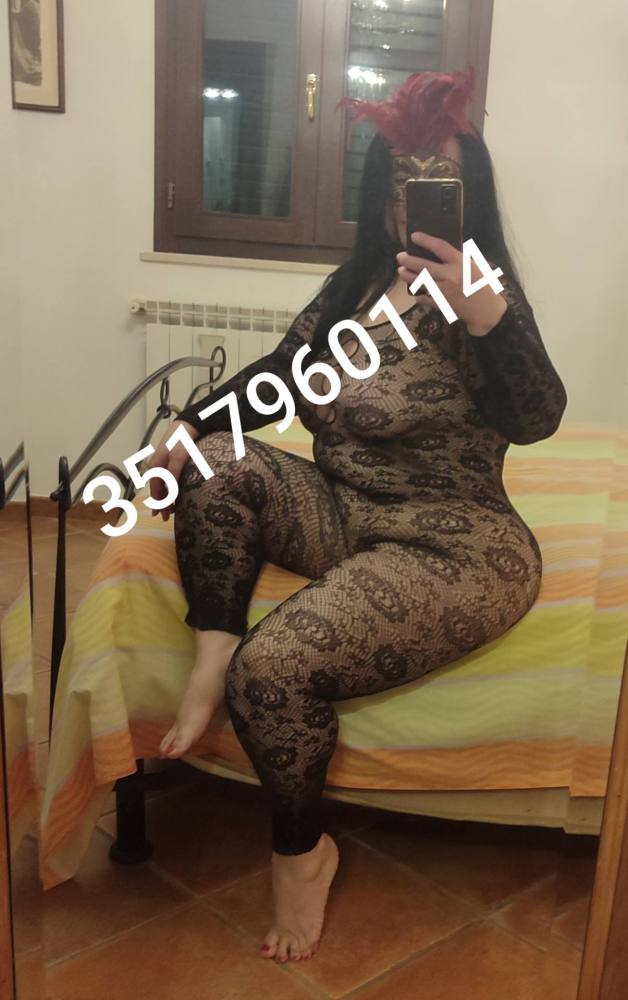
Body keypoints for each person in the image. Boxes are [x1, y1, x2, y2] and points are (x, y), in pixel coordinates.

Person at [147, 69, 567, 964]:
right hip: (345, 510)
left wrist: (489, 316)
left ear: (468, 195)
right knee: (213, 458)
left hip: (452, 544)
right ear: (380, 193)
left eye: (438, 178)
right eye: (401, 176)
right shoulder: (358, 283)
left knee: (275, 671)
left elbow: (537, 418)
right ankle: (211, 649)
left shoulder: (482, 294)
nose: (414, 195)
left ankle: (303, 855)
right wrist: (190, 419)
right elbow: (278, 375)